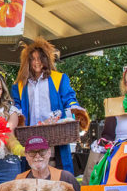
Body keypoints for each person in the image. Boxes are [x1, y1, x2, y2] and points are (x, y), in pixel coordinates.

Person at [11, 37, 89, 173]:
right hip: (30, 135)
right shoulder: (19, 85)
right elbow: (16, 106)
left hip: (54, 134)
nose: (37, 62)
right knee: (30, 170)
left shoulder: (59, 78)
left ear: (46, 59)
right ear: (27, 61)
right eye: (33, 59)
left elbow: (69, 99)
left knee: (56, 169)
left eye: (40, 58)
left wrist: (76, 110)